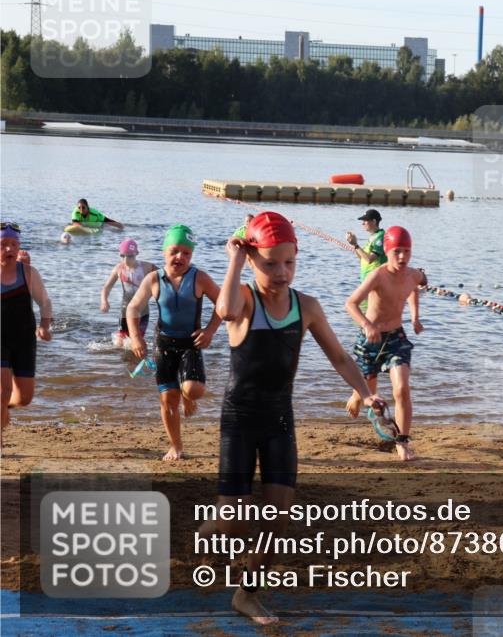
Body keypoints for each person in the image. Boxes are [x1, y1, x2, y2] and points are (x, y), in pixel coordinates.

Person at [208, 212, 386, 625]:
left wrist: (367, 393)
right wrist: (234, 260)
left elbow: (340, 357)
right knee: (229, 521)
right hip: (239, 419)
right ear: (252, 260)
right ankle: (201, 537)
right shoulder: (246, 299)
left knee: (279, 516)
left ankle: (246, 595)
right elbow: (225, 308)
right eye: (270, 263)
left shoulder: (306, 306)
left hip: (280, 422)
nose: (282, 272)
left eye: (289, 262)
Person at [127, 225, 222, 461]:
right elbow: (133, 308)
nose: (180, 257)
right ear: (164, 252)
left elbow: (223, 304)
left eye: (186, 253)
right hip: (164, 344)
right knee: (168, 399)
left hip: (191, 343)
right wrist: (136, 337)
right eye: (175, 251)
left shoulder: (199, 277)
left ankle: (187, 396)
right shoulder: (153, 279)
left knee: (193, 390)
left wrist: (209, 331)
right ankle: (176, 446)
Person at [345, 226, 424, 461]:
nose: (402, 257)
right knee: (369, 395)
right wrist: (367, 325)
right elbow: (350, 304)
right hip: (369, 339)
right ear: (387, 250)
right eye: (397, 251)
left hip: (395, 339)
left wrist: (415, 317)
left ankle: (402, 441)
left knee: (401, 389)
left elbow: (414, 289)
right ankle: (356, 395)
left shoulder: (413, 275)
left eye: (407, 251)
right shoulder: (377, 275)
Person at [1, 222, 53, 433]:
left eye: (14, 244)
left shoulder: (29, 273)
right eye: (3, 244)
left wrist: (44, 325)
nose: (9, 249)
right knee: (3, 391)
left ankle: (3, 410)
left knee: (24, 398)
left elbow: (45, 302)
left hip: (23, 340)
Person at [100, 239, 156, 348]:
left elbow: (164, 278)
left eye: (130, 256)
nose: (126, 259)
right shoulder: (118, 269)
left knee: (137, 341)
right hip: (125, 310)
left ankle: (135, 362)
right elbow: (106, 287)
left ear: (137, 254)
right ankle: (121, 363)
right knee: (120, 343)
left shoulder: (147, 267)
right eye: (123, 256)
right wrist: (104, 301)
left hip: (143, 311)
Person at [346, 209, 387, 282]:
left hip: (376, 282)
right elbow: (362, 258)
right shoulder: (373, 236)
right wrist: (353, 244)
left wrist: (356, 244)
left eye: (365, 221)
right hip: (367, 281)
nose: (363, 223)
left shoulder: (381, 237)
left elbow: (369, 259)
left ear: (374, 221)